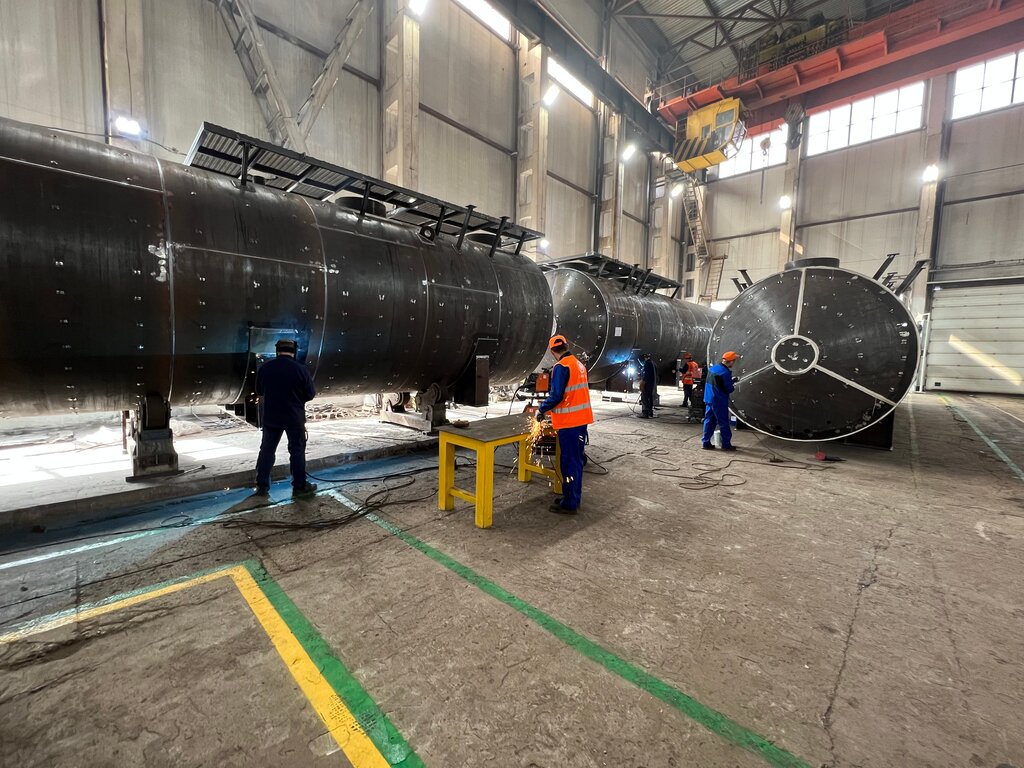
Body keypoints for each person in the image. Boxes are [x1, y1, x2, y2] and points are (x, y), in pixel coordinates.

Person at [535, 335, 594, 514]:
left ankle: (569, 504)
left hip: (569, 423)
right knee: (576, 461)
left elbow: (556, 396)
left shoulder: (561, 367)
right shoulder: (578, 364)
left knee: (568, 462)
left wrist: (541, 409)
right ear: (566, 346)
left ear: (552, 351)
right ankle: (573, 497)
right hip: (581, 421)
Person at [253, 339, 318, 499]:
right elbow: (310, 394)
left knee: (267, 451)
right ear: (294, 352)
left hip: (271, 417)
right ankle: (300, 486)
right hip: (294, 418)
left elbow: (259, 391)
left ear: (277, 351)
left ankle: (262, 487)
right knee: (296, 451)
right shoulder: (301, 369)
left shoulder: (265, 368)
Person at [703, 350, 740, 452]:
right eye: (734, 361)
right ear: (730, 361)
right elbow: (728, 389)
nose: (734, 363)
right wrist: (732, 383)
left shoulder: (713, 368)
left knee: (709, 420)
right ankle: (726, 445)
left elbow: (718, 383)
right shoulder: (725, 372)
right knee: (723, 422)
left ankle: (705, 442)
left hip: (709, 398)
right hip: (719, 401)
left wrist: (730, 380)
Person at [638, 353, 657, 418]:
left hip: (647, 384)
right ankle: (650, 413)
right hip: (651, 383)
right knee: (650, 397)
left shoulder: (647, 364)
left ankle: (645, 413)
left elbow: (646, 375)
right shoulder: (652, 363)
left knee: (645, 398)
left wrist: (643, 382)